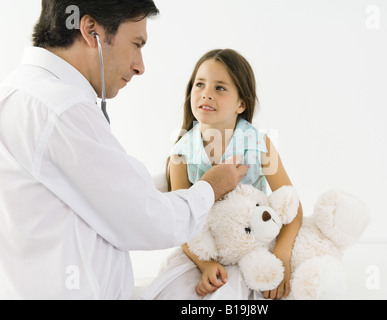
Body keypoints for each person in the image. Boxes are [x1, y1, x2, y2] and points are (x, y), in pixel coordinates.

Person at [0, 1, 247, 299]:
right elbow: (146, 220)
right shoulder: (61, 110)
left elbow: (94, 196)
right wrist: (210, 187)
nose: (139, 66)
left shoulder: (23, 94)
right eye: (136, 44)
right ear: (92, 30)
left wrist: (173, 181)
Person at [142, 49, 303, 300]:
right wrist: (204, 264)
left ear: (241, 104)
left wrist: (282, 255)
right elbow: (181, 220)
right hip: (208, 250)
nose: (206, 93)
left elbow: (292, 208)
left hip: (254, 245)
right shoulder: (181, 155)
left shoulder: (259, 146)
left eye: (220, 88)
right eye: (200, 84)